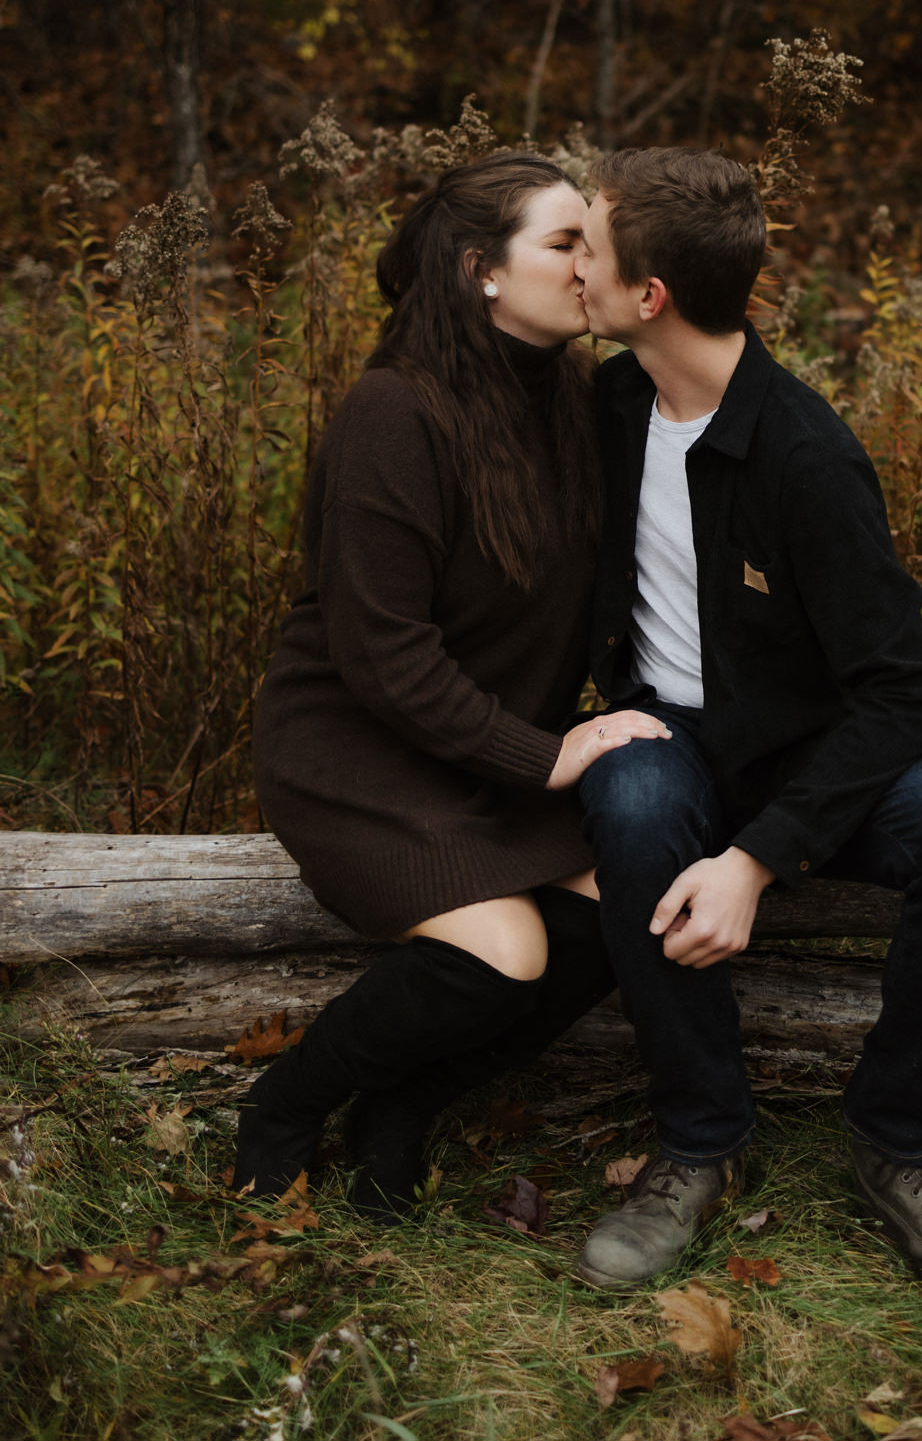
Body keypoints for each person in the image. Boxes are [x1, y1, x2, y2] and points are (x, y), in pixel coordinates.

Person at [571, 146, 922, 1301]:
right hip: (668, 738)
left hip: (815, 761)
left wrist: (758, 857)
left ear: (650, 296)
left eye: (589, 245)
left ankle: (896, 1141)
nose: (572, 265)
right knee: (628, 795)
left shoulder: (804, 454)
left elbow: (906, 688)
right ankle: (699, 1140)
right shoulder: (612, 402)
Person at [234, 152, 669, 1216]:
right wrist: (548, 752)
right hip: (358, 749)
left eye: (591, 244)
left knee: (629, 907)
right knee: (508, 949)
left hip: (478, 745)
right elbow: (382, 654)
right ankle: (285, 1102)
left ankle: (405, 1106)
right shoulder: (396, 412)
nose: (588, 266)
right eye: (563, 243)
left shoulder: (578, 400)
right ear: (481, 269)